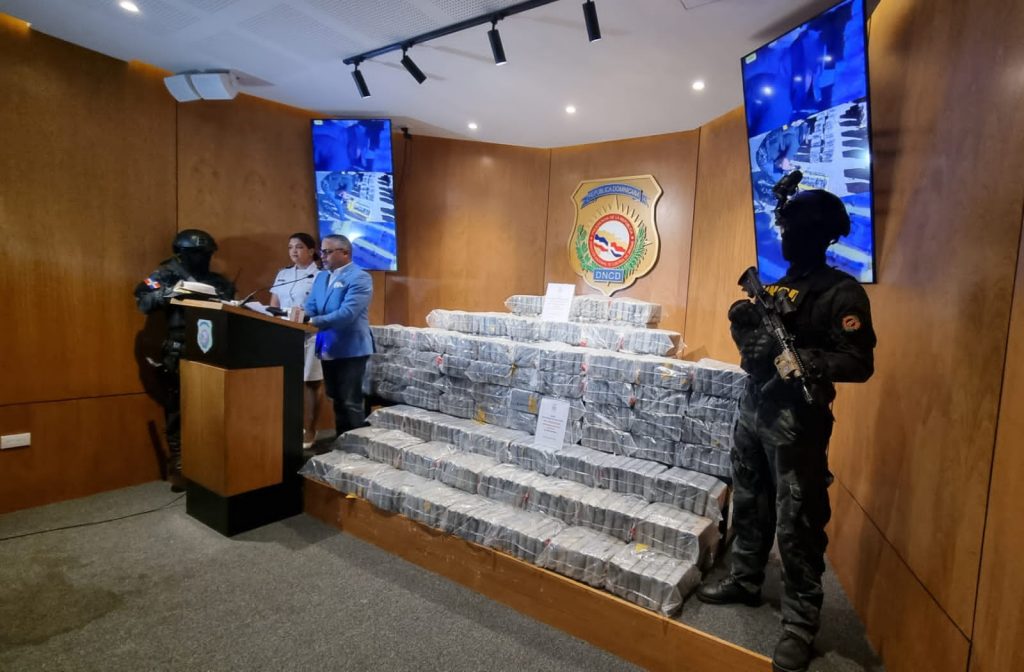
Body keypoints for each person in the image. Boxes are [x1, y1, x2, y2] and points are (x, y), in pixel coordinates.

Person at [696, 189, 876, 672]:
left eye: (793, 230)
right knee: (749, 501)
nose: (785, 237)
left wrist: (807, 361)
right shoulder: (777, 288)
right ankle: (746, 579)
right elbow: (752, 351)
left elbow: (860, 363)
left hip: (798, 423)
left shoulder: (841, 293)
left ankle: (799, 623)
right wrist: (745, 331)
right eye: (785, 229)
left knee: (798, 520)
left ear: (820, 235)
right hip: (755, 411)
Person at [134, 229, 235, 490]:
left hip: (214, 348)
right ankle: (179, 464)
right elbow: (142, 299)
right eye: (196, 254)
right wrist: (169, 294)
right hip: (179, 346)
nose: (202, 258)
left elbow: (233, 306)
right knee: (177, 408)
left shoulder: (218, 281)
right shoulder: (165, 274)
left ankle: (209, 461)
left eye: (206, 254)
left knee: (212, 407)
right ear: (181, 253)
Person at [304, 234, 373, 441]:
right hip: (327, 346)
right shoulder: (321, 277)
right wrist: (299, 315)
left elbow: (347, 313)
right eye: (322, 252)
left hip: (351, 348)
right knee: (335, 398)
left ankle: (357, 447)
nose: (322, 256)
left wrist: (313, 321)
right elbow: (311, 305)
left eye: (327, 252)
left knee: (350, 401)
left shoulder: (360, 277)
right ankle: (342, 443)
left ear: (345, 253)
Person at [269, 233, 323, 449]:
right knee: (287, 381)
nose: (293, 251)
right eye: (290, 247)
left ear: (311, 251)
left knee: (310, 382)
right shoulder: (283, 273)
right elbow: (273, 303)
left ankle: (310, 430)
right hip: (284, 333)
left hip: (311, 335)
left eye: (299, 247)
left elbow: (321, 307)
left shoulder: (320, 276)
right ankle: (291, 427)